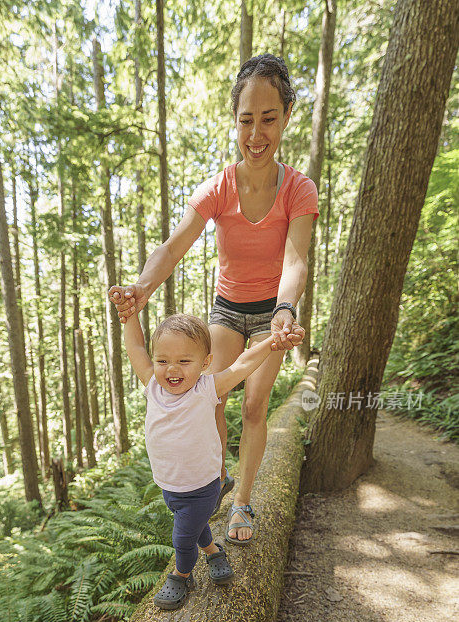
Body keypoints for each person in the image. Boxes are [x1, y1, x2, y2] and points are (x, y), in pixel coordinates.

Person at [110, 54, 318, 545]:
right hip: (226, 308)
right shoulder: (219, 187)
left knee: (253, 408)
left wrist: (285, 310)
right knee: (211, 398)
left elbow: (296, 261)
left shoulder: (299, 190)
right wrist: (141, 289)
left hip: (274, 311)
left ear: (287, 116)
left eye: (269, 118)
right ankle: (215, 483)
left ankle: (243, 503)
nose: (256, 133)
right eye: (247, 120)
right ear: (235, 121)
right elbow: (174, 245)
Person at [123, 310, 279, 610]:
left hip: (203, 487)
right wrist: (129, 315)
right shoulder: (153, 389)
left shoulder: (206, 388)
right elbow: (135, 348)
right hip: (169, 486)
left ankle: (182, 574)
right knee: (193, 526)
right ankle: (212, 550)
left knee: (182, 537)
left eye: (184, 361)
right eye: (163, 360)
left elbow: (243, 364)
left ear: (205, 363)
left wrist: (272, 341)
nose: (172, 369)